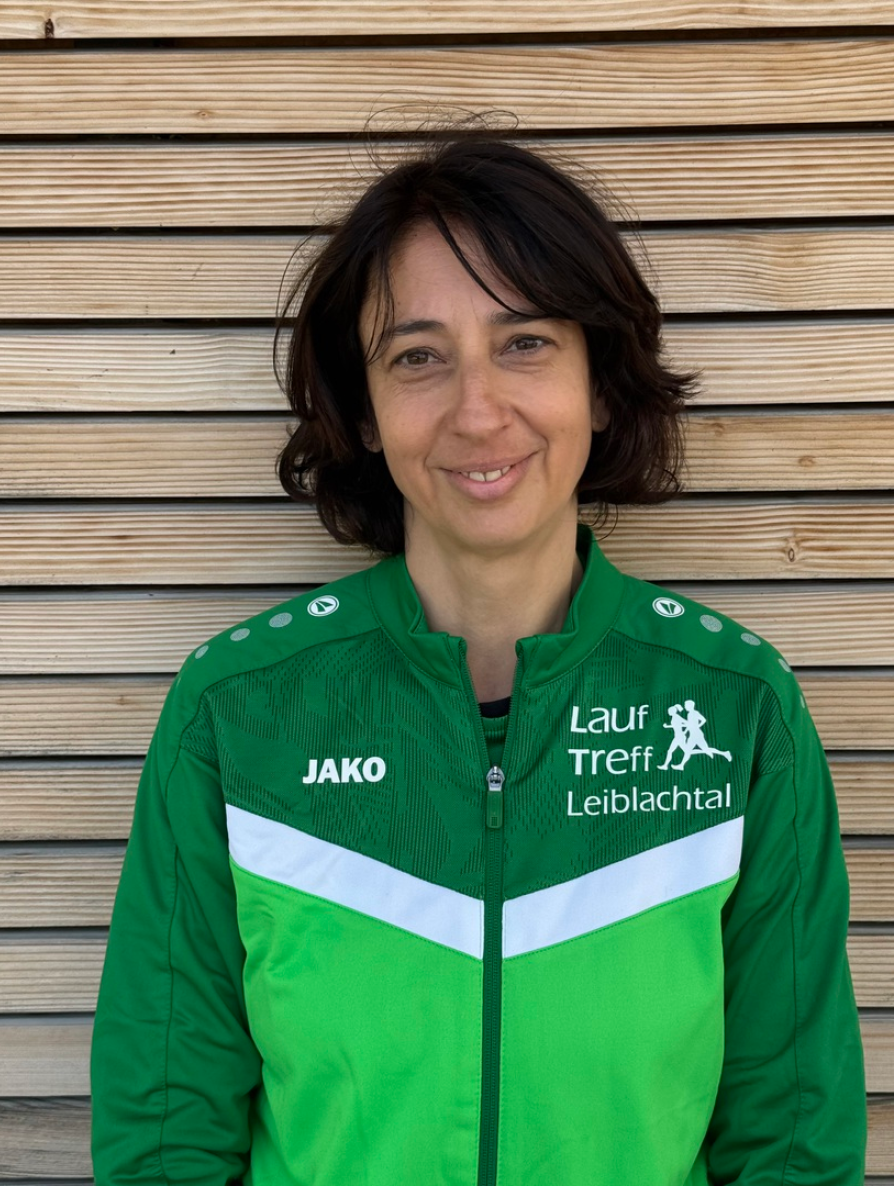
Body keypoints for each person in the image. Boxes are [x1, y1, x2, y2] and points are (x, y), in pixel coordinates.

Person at [90, 133, 866, 1185]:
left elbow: (793, 1144)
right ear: (365, 410)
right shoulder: (238, 712)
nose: (477, 409)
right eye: (418, 356)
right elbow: (163, 1141)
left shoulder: (735, 711)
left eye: (526, 343)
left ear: (600, 383)